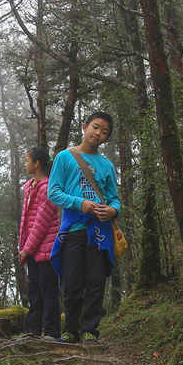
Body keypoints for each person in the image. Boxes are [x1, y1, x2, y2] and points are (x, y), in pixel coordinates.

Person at [47, 112, 120, 345]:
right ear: (85, 126)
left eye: (104, 132)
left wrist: (113, 210)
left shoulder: (107, 165)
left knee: (96, 282)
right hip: (73, 229)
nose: (98, 133)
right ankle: (70, 330)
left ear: (106, 138)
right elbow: (53, 192)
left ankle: (90, 331)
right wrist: (80, 203)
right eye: (95, 127)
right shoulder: (65, 157)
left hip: (100, 232)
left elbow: (114, 199)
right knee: (71, 283)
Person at [18, 147, 61, 340]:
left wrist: (27, 248)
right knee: (34, 291)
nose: (25, 164)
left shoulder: (49, 188)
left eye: (27, 160)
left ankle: (52, 332)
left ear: (37, 164)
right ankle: (31, 332)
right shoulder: (29, 186)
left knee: (48, 291)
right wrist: (24, 247)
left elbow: (41, 223)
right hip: (33, 250)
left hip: (48, 250)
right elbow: (26, 222)